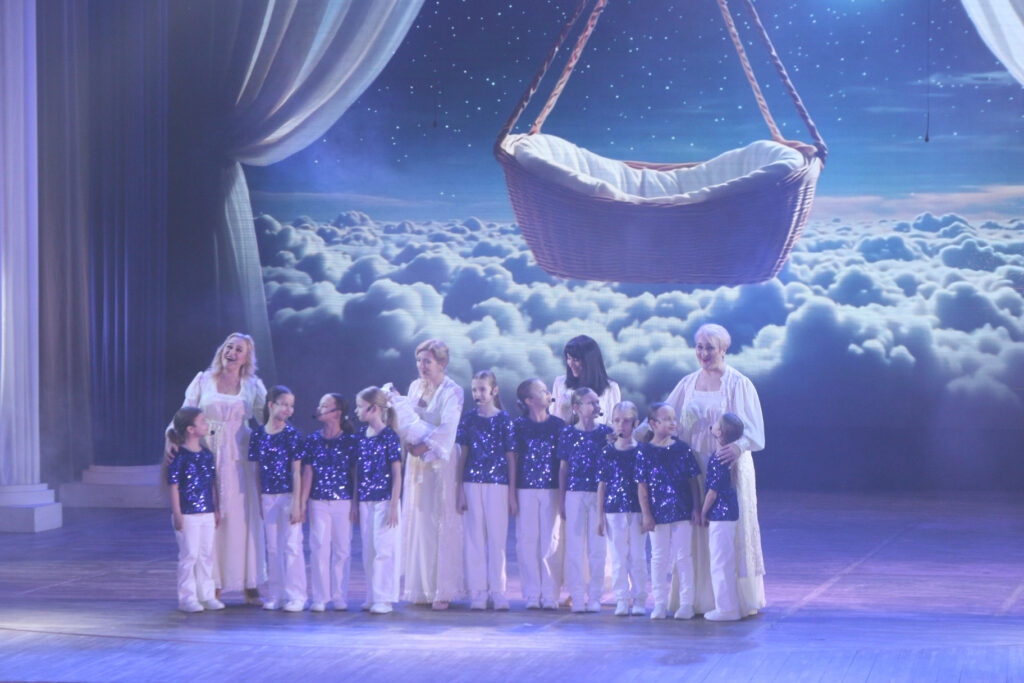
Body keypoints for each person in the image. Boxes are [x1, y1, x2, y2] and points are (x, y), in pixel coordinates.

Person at [645, 322, 766, 616]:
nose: (703, 353)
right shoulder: (687, 384)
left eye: (710, 347)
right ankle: (695, 599)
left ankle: (730, 601)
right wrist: (634, 435)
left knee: (723, 534)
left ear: (723, 349)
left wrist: (738, 446)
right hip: (693, 466)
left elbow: (755, 431)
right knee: (694, 529)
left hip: (727, 466)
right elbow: (662, 416)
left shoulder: (738, 384)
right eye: (699, 347)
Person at [167, 332, 267, 604]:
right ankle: (213, 584)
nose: (231, 352)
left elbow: (266, 420)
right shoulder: (203, 380)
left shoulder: (253, 385)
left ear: (246, 358)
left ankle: (248, 581)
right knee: (211, 519)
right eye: (228, 347)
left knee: (239, 520)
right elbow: (184, 412)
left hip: (238, 458)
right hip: (205, 454)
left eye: (238, 350)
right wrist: (172, 439)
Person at [388, 339, 465, 610]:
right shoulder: (414, 387)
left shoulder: (452, 391)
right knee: (419, 522)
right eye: (419, 361)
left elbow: (448, 429)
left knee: (440, 522)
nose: (422, 366)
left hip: (439, 463)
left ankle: (443, 589)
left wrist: (422, 446)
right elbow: (407, 420)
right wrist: (408, 442)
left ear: (442, 363)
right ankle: (421, 588)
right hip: (417, 464)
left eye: (428, 361)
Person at [549, 335, 621, 601]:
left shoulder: (610, 388)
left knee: (599, 531)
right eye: (569, 359)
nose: (572, 364)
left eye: (577, 359)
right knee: (572, 532)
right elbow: (555, 421)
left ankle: (599, 588)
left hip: (600, 467)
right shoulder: (561, 384)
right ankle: (573, 587)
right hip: (571, 463)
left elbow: (615, 426)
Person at [455, 370, 516, 611]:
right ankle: (478, 591)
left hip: (498, 484)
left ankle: (498, 591)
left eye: (482, 389)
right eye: (474, 390)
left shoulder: (504, 420)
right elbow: (462, 455)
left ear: (494, 391)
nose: (478, 394)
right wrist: (459, 489)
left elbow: (511, 457)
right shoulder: (468, 419)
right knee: (474, 539)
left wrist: (511, 493)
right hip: (472, 483)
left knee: (497, 539)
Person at [637, 403, 701, 620]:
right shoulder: (645, 451)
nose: (673, 423)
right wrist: (646, 514)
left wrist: (696, 507)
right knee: (658, 558)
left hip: (682, 511)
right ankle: (660, 603)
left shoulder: (682, 449)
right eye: (667, 419)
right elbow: (642, 486)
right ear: (653, 424)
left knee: (683, 557)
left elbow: (693, 481)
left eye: (674, 418)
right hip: (657, 513)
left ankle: (687, 603)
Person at [248, 386, 306, 612]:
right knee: (272, 548)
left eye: (291, 406)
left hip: (288, 495)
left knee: (292, 546)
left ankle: (296, 595)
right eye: (284, 404)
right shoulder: (258, 435)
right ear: (271, 405)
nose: (288, 409)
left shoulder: (292, 435)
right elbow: (256, 470)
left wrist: (297, 503)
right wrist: (260, 499)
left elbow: (297, 471)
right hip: (267, 496)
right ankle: (276, 594)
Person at [300, 393, 358, 612]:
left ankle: (339, 596)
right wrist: (303, 503)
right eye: (320, 405)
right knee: (319, 548)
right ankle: (320, 597)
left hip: (343, 501)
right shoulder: (313, 440)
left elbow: (355, 474)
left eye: (325, 406)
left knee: (342, 549)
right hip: (319, 501)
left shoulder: (350, 441)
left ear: (337, 413)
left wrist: (355, 503)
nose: (320, 409)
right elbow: (308, 472)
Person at [556, 388, 612, 613]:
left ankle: (595, 596)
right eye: (591, 403)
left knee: (598, 548)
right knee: (575, 547)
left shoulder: (606, 433)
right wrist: (562, 499)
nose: (596, 406)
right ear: (577, 408)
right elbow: (563, 468)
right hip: (575, 493)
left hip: (598, 494)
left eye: (597, 402)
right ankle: (577, 596)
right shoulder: (568, 433)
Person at [512, 378, 565, 609]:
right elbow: (513, 460)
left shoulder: (558, 426)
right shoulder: (519, 426)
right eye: (543, 391)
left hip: (551, 489)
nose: (548, 393)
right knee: (527, 540)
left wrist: (563, 496)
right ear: (529, 400)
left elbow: (563, 465)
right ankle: (532, 593)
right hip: (525, 488)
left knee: (550, 540)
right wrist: (512, 495)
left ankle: (550, 593)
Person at [165, 407, 222, 613]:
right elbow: (173, 485)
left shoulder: (206, 454)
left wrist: (215, 508)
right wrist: (177, 513)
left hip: (207, 511)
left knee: (206, 554)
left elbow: (212, 483)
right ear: (190, 429)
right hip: (187, 513)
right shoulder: (179, 455)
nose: (207, 425)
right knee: (189, 555)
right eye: (202, 421)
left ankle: (206, 595)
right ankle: (187, 598)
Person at [354, 387, 404, 615]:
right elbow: (358, 471)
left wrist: (394, 504)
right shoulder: (362, 436)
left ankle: (384, 598)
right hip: (366, 500)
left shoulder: (389, 436)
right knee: (369, 550)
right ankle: (372, 595)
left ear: (374, 408)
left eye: (360, 406)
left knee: (384, 549)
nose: (357, 411)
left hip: (384, 500)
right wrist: (356, 502)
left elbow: (396, 473)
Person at [597, 402, 648, 617]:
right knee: (618, 557)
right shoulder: (607, 452)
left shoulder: (641, 452)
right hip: (614, 511)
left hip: (637, 511)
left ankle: (639, 599)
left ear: (635, 423)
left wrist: (647, 513)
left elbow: (644, 485)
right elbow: (602, 485)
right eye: (617, 420)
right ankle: (621, 599)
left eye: (626, 421)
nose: (621, 425)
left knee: (638, 556)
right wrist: (600, 516)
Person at [701, 413, 745, 621]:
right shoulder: (727, 456)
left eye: (716, 424)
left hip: (721, 513)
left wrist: (703, 511)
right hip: (728, 512)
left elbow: (713, 491)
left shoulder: (720, 457)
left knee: (720, 562)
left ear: (720, 432)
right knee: (723, 560)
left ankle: (727, 609)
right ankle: (728, 606)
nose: (713, 425)